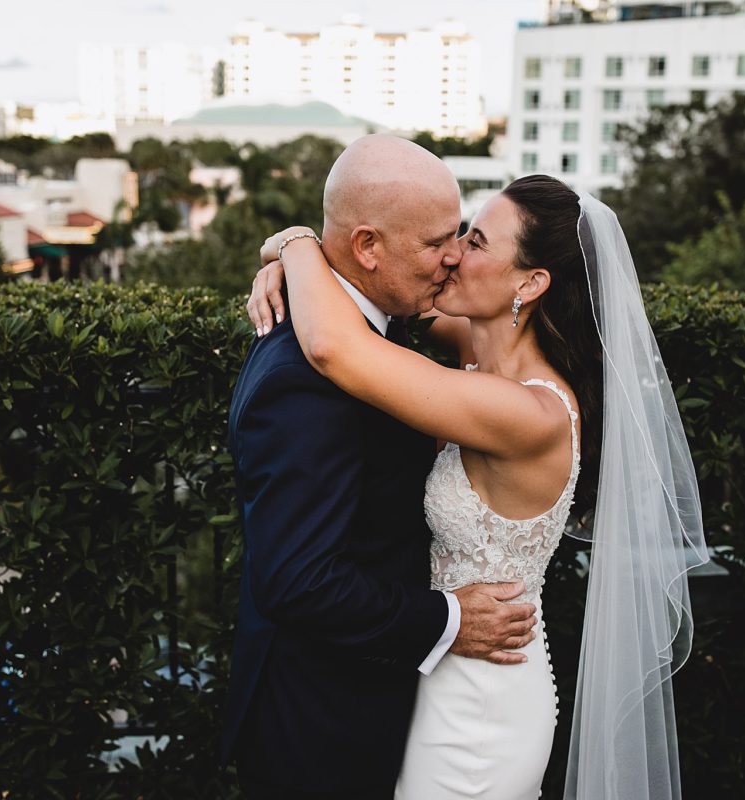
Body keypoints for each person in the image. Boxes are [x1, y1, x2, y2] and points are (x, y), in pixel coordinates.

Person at [248, 170, 708, 799]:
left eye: (479, 243)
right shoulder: (481, 342)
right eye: (462, 234)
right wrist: (294, 265)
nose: (456, 253)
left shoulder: (529, 412)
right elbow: (375, 294)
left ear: (531, 283)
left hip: (482, 701)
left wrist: (296, 245)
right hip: (434, 670)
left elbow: (336, 347)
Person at [223, 134, 539, 800]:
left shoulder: (386, 323)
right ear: (368, 247)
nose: (453, 257)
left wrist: (292, 246)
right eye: (436, 243)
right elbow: (298, 580)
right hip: (317, 726)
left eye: (462, 236)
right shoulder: (302, 377)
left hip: (394, 702)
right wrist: (449, 619)